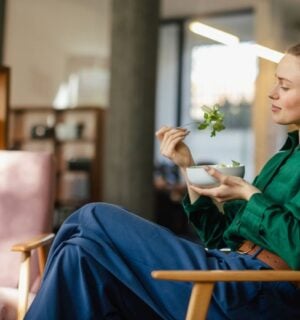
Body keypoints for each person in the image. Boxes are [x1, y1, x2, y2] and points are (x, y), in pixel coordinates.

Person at [25, 43, 300, 320]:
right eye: (276, 82)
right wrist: (187, 165)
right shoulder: (283, 157)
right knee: (80, 256)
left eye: (285, 86)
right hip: (233, 272)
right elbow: (220, 238)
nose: (272, 92)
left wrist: (251, 196)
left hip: (261, 292)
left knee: (92, 215)